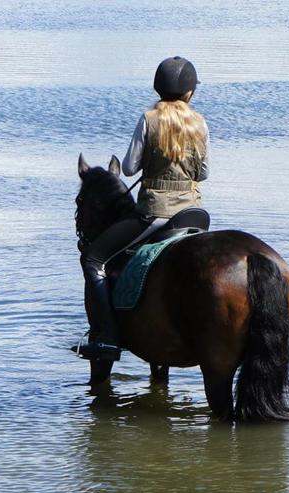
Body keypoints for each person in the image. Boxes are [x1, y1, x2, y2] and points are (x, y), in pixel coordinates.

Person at [75, 56, 211, 362]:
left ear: (157, 87)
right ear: (190, 93)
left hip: (154, 213)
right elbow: (203, 174)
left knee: (93, 259)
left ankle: (106, 337)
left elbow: (129, 166)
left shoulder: (148, 119)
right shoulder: (200, 122)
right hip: (193, 214)